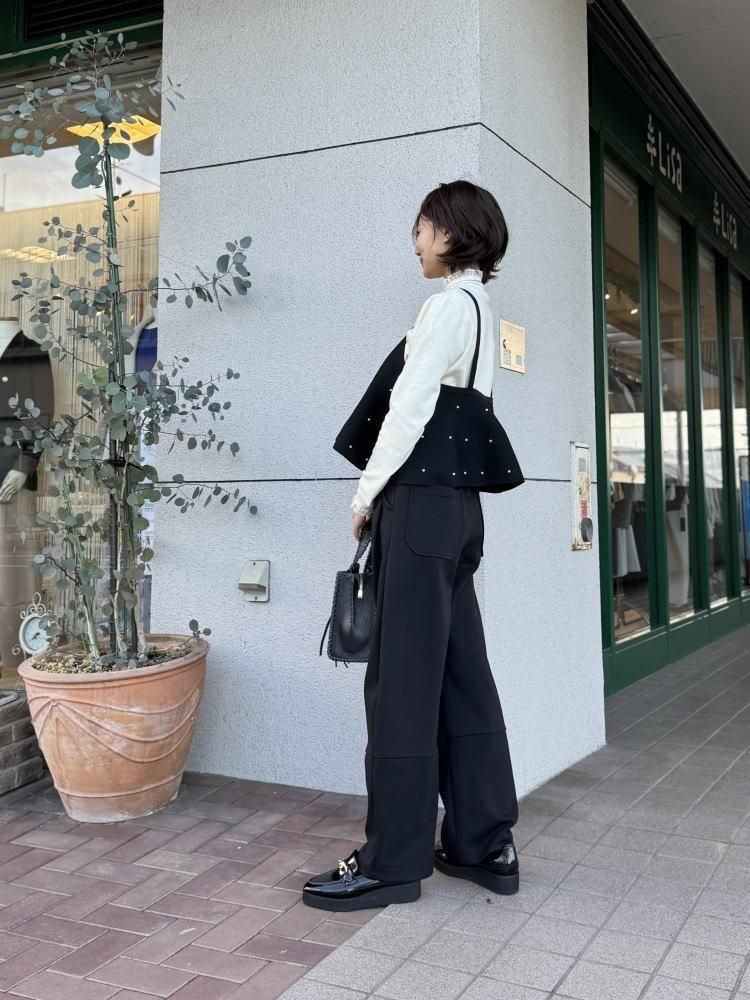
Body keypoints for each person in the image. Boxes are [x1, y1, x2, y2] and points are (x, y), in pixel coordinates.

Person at [304, 180, 524, 912]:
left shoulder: (445, 308)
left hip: (420, 508)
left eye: (423, 229)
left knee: (400, 679)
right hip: (459, 514)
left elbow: (409, 408)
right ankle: (483, 842)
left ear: (453, 232)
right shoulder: (482, 311)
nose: (417, 242)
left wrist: (365, 494)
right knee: (462, 673)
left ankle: (392, 861)